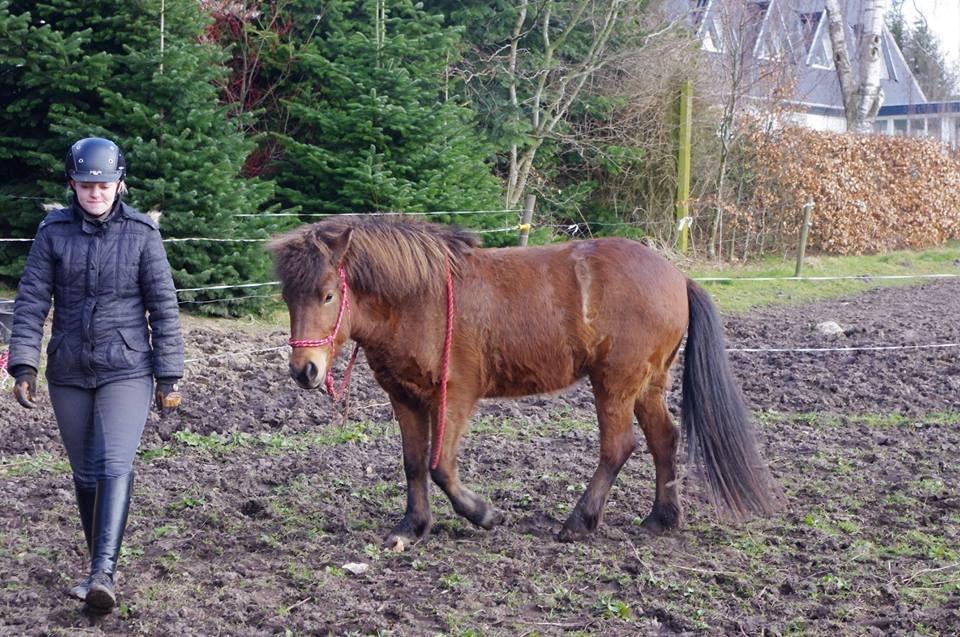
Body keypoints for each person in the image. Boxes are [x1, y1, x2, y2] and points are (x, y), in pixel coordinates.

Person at [7, 137, 184, 613]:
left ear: (119, 184)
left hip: (126, 367)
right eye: (86, 185)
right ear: (73, 185)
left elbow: (163, 308)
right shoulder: (53, 232)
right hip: (68, 367)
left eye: (103, 184)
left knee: (114, 463)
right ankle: (96, 566)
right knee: (85, 474)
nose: (95, 192)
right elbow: (30, 301)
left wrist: (168, 375)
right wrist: (22, 362)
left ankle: (104, 571)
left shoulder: (143, 234)